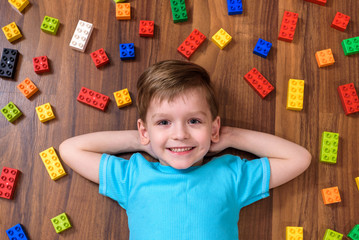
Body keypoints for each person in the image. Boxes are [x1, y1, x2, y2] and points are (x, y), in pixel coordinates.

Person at [59, 60, 311, 240]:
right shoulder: (133, 176)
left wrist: (231, 136)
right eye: (163, 122)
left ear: (214, 128)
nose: (179, 134)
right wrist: (143, 140)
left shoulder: (230, 175)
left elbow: (299, 158)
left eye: (194, 121)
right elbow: (71, 149)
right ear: (145, 130)